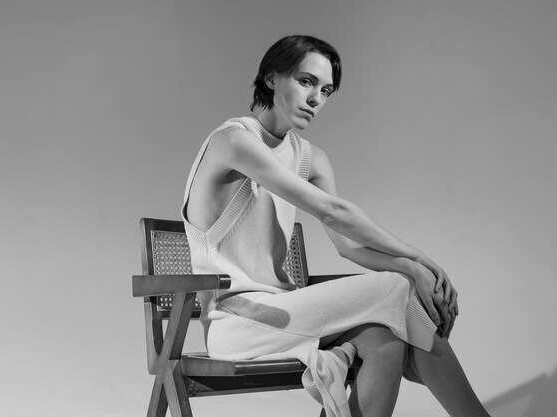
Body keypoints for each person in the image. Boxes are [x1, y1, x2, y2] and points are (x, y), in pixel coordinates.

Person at [181, 35, 490, 417]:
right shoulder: (233, 141)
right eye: (306, 82)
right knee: (398, 289)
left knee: (382, 337)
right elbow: (332, 212)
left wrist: (412, 268)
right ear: (272, 78)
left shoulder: (312, 158)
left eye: (326, 90)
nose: (316, 99)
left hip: (287, 313)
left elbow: (348, 245)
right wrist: (416, 258)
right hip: (238, 322)